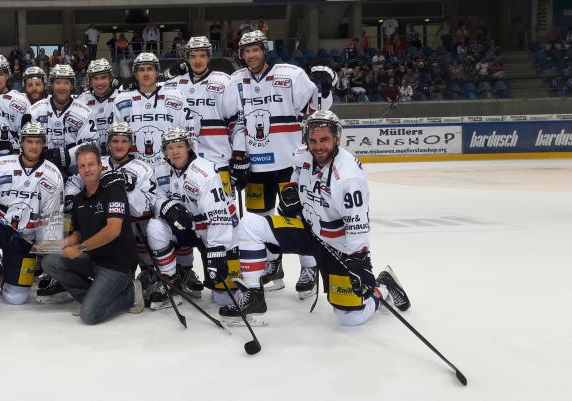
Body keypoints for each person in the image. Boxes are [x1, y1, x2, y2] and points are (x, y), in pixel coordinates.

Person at [235, 110, 411, 326]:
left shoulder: (348, 178)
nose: (318, 146)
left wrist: (358, 262)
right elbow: (298, 172)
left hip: (338, 247)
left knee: (349, 317)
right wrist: (292, 190)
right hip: (307, 230)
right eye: (313, 140)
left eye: (324, 140)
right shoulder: (304, 153)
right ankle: (253, 295)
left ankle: (383, 286)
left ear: (337, 138)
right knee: (250, 224)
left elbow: (357, 226)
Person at [231, 30, 326, 295]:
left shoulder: (291, 74)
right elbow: (236, 121)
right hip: (256, 168)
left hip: (289, 164)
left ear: (264, 50)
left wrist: (325, 91)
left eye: (255, 50)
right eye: (246, 51)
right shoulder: (236, 81)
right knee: (260, 218)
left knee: (295, 214)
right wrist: (239, 155)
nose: (251, 55)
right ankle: (274, 267)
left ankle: (309, 267)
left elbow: (314, 110)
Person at [162, 36, 243, 298]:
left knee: (224, 220)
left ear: (209, 56)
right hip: (184, 163)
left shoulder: (222, 82)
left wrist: (239, 154)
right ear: (187, 57)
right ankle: (188, 271)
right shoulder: (177, 84)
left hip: (217, 162)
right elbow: (156, 86)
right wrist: (167, 73)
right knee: (188, 220)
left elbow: (235, 120)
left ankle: (228, 276)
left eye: (202, 55)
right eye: (192, 55)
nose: (197, 60)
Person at [0, 122, 64, 319]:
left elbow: (52, 220)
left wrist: (43, 254)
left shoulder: (53, 175)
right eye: (29, 141)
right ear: (22, 142)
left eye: (38, 142)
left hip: (23, 236)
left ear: (44, 145)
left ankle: (3, 275)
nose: (33, 146)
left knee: (16, 297)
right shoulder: (1, 165)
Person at [144, 127, 245, 316]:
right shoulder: (160, 169)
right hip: (187, 226)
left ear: (189, 147)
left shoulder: (203, 172)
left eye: (179, 146)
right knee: (155, 227)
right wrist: (166, 206)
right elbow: (155, 195)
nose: (175, 152)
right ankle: (170, 280)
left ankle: (248, 285)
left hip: (214, 229)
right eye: (170, 147)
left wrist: (216, 251)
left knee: (224, 297)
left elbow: (218, 215)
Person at [42, 143, 144, 324]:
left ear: (100, 166)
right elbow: (79, 233)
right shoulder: (79, 198)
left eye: (91, 164)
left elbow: (113, 230)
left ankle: (130, 293)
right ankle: (92, 297)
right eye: (82, 166)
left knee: (89, 316)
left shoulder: (114, 191)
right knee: (50, 262)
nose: (87, 169)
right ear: (78, 170)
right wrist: (56, 244)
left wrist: (79, 248)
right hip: (94, 260)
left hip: (117, 266)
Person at [65, 123, 156, 302]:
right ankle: (96, 290)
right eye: (115, 141)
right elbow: (74, 182)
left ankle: (130, 285)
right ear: (108, 143)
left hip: (129, 229)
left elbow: (146, 205)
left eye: (124, 141)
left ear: (131, 143)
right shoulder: (97, 162)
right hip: (98, 224)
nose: (119, 145)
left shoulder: (143, 168)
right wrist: (70, 200)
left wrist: (127, 188)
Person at [112, 52, 191, 166]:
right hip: (134, 167)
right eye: (141, 70)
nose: (145, 73)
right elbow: (118, 138)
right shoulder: (122, 100)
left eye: (149, 69)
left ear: (157, 72)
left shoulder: (176, 96)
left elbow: (188, 132)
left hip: (169, 166)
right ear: (135, 74)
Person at [27, 64, 81, 175]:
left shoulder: (84, 112)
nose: (62, 87)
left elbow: (92, 145)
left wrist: (65, 156)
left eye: (66, 83)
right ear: (51, 85)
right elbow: (27, 143)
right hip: (42, 170)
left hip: (76, 172)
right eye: (58, 82)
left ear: (72, 86)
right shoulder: (35, 110)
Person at [68, 58, 119, 155]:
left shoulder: (120, 96)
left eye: (103, 77)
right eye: (95, 78)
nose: (99, 83)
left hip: (116, 154)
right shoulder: (82, 99)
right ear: (90, 81)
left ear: (110, 78)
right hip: (90, 156)